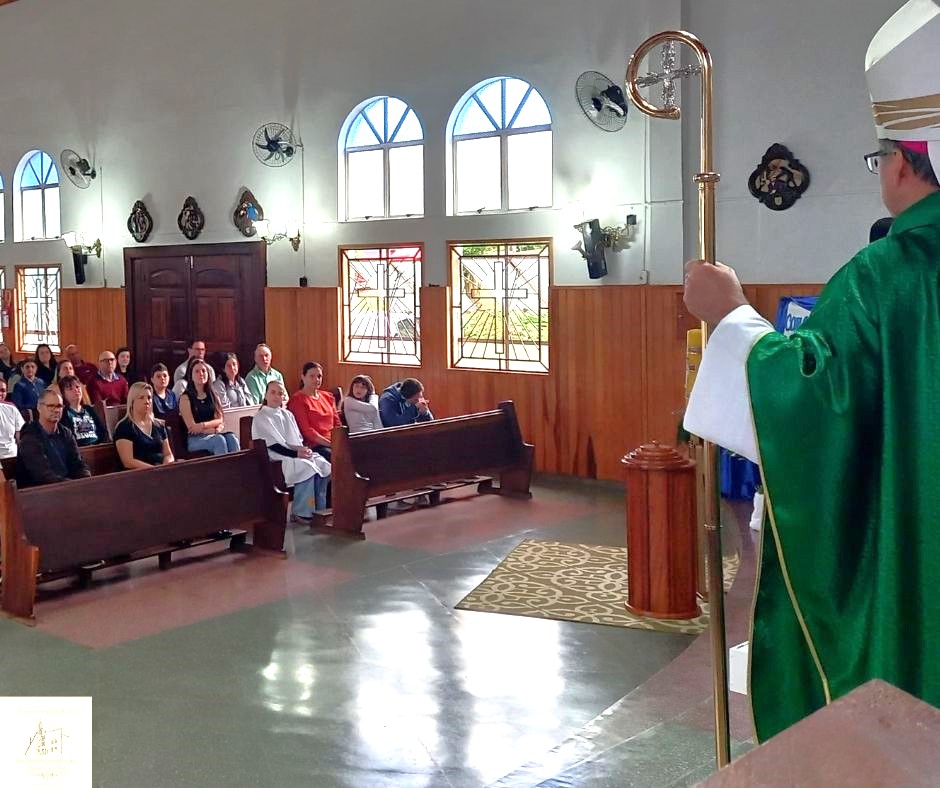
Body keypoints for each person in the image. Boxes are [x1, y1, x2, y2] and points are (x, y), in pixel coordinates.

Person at [682, 0, 940, 744]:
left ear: (899, 161)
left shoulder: (888, 277)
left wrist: (728, 315)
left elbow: (809, 397)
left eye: (878, 158)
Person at [252, 380, 331, 520]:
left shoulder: (287, 414)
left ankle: (319, 509)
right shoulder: (261, 417)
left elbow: (294, 440)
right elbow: (272, 444)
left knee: (323, 464)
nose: (277, 396)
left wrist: (302, 450)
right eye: (273, 392)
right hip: (276, 458)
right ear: (266, 395)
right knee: (306, 468)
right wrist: (296, 453)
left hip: (292, 453)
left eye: (280, 393)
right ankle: (301, 511)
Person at [16, 389, 90, 488]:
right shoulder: (30, 436)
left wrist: (87, 480)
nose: (56, 410)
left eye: (59, 406)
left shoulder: (66, 432)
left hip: (67, 487)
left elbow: (78, 463)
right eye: (51, 406)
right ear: (39, 408)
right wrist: (72, 485)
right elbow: (43, 475)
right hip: (39, 494)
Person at [179, 359, 239, 456]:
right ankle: (222, 471)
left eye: (204, 371)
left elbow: (220, 419)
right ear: (191, 376)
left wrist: (203, 425)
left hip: (212, 434)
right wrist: (213, 429)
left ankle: (238, 470)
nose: (201, 374)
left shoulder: (213, 394)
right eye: (197, 371)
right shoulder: (185, 398)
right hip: (194, 439)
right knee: (219, 440)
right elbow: (192, 428)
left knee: (232, 438)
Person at [113, 382, 175, 468]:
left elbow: (168, 454)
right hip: (138, 475)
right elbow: (128, 461)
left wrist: (165, 466)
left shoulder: (158, 425)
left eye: (149, 398)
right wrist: (154, 470)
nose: (147, 401)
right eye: (141, 398)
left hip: (161, 471)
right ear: (132, 402)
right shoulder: (124, 427)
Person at [288, 362, 341, 459]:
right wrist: (329, 444)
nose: (316, 380)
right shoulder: (297, 399)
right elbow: (307, 431)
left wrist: (340, 441)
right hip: (315, 446)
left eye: (319, 376)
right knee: (337, 457)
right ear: (303, 377)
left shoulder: (328, 396)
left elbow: (337, 423)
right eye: (312, 376)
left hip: (334, 442)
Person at [59, 375, 108, 446]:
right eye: (70, 389)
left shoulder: (89, 409)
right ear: (63, 394)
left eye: (77, 387)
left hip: (97, 447)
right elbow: (67, 438)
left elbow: (102, 431)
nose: (76, 390)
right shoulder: (64, 413)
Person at [0, 378, 25, 458]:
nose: (0, 393)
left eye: (3, 390)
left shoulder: (12, 408)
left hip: (12, 456)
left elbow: (20, 436)